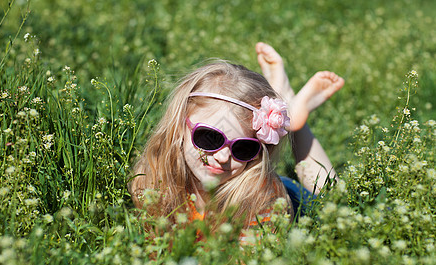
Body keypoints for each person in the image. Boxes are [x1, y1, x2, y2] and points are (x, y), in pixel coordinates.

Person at [127, 42, 344, 231]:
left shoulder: (263, 200)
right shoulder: (154, 178)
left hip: (289, 198)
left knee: (335, 206)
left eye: (243, 148)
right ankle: (284, 106)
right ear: (179, 126)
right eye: (210, 138)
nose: (223, 157)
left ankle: (293, 120)